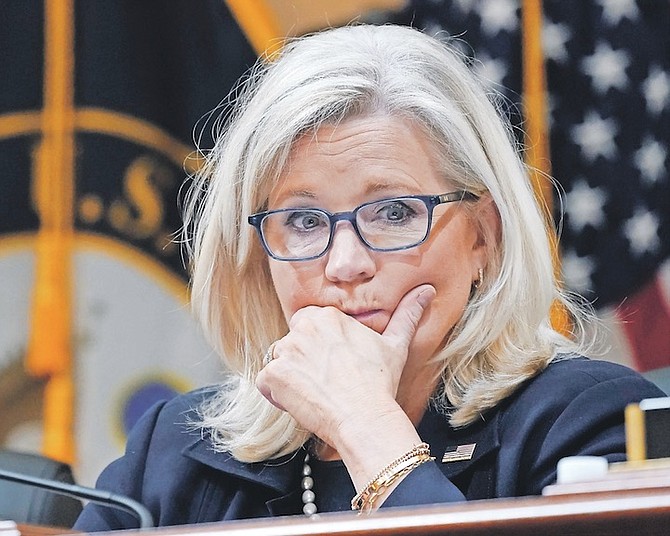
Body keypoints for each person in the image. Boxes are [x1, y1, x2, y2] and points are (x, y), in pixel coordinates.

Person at [74, 24, 665, 530]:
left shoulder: (591, 423)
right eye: (303, 221)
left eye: (393, 213)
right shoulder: (175, 449)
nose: (345, 264)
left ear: (484, 234)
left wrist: (365, 425)